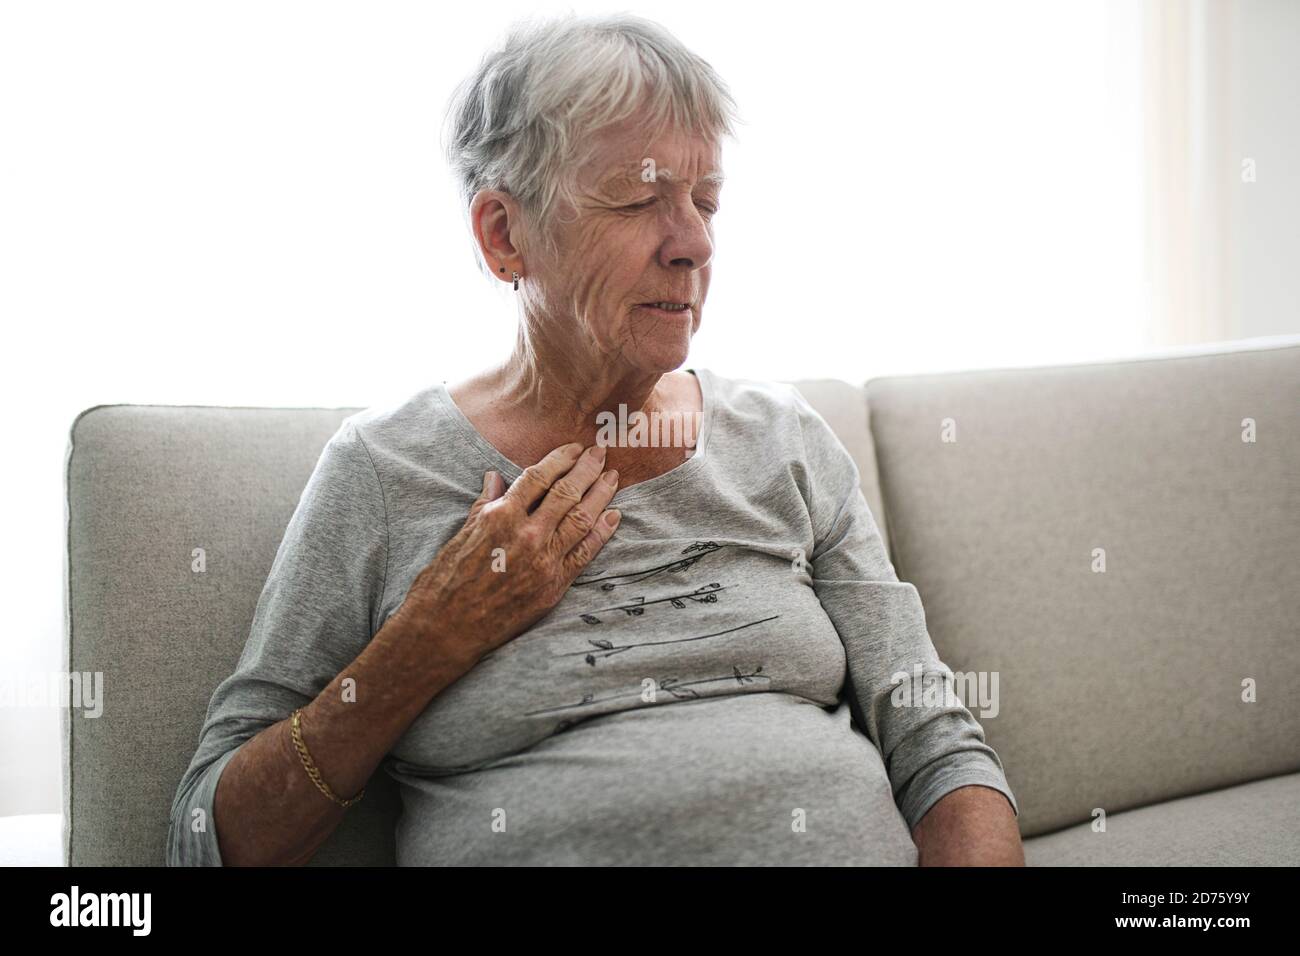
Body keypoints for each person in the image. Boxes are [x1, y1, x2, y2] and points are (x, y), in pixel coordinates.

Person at [167, 12, 1022, 866]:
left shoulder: (784, 441)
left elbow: (936, 745)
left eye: (707, 201)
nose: (693, 244)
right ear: (505, 235)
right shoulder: (386, 471)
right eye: (640, 201)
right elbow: (208, 839)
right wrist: (427, 641)